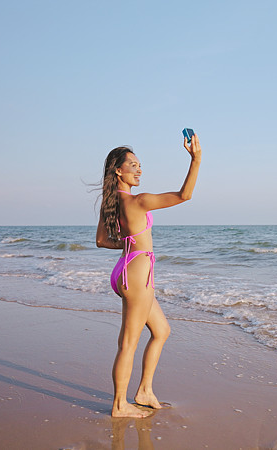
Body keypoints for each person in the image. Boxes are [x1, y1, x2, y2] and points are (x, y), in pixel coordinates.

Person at [95, 134, 202, 418]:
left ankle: (144, 391)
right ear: (118, 170)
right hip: (138, 271)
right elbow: (184, 195)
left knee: (161, 331)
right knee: (128, 343)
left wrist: (129, 243)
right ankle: (119, 405)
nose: (139, 169)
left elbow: (102, 241)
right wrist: (196, 159)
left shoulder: (112, 202)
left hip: (125, 269)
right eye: (133, 165)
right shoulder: (138, 201)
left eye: (139, 165)